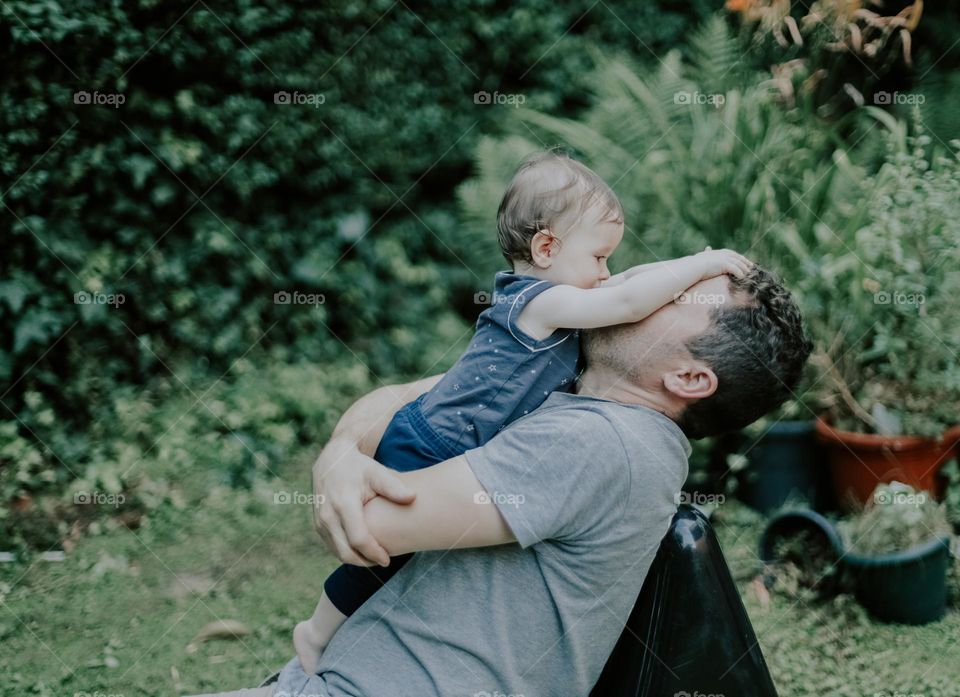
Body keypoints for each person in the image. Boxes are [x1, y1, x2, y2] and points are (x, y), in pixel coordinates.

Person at [292, 150, 753, 673]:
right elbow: (626, 301)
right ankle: (317, 632)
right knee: (374, 551)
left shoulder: (599, 416)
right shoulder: (540, 302)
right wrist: (702, 264)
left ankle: (322, 633)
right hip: (438, 438)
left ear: (690, 379)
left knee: (380, 545)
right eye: (600, 258)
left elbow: (628, 293)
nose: (610, 275)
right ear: (547, 247)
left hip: (448, 431)